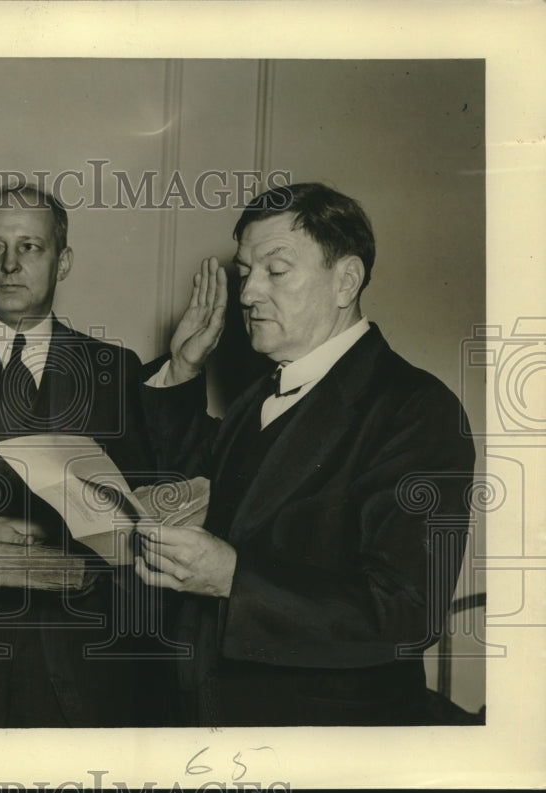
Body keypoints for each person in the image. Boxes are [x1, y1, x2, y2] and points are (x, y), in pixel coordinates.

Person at [137, 182, 476, 726]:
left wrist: (232, 579)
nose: (247, 294)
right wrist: (182, 370)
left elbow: (406, 611)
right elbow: (200, 486)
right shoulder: (260, 396)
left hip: (326, 740)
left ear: (345, 281)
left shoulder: (415, 407)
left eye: (275, 270)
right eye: (245, 272)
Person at [0, 185, 172, 727]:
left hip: (83, 663)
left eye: (31, 248)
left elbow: (149, 503)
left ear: (62, 261)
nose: (10, 264)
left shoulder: (115, 370)